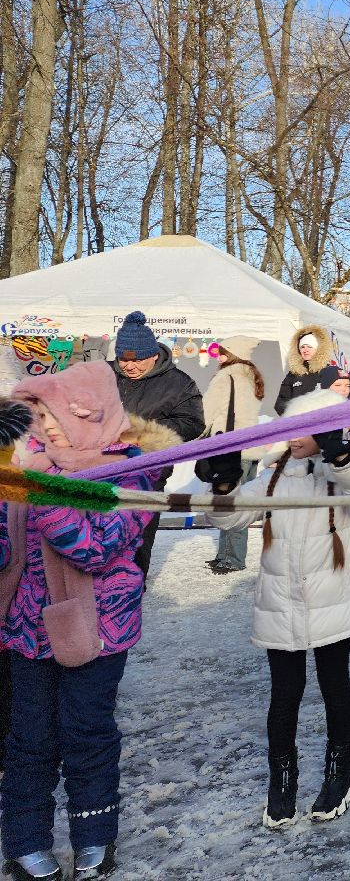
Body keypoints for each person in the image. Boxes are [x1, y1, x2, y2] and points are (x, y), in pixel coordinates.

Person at [0, 363, 180, 881]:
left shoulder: (133, 472)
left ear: (89, 411)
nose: (45, 426)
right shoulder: (24, 463)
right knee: (28, 738)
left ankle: (94, 837)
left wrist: (42, 495)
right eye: (36, 415)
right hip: (26, 628)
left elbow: (95, 550)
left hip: (98, 628)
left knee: (85, 732)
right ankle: (25, 842)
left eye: (52, 414)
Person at [204, 389, 350, 828]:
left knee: (334, 686)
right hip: (282, 601)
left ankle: (340, 772)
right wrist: (223, 484)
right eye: (292, 427)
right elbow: (228, 519)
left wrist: (341, 458)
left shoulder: (341, 473)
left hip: (332, 599)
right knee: (284, 694)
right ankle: (281, 779)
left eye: (308, 428)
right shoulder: (273, 474)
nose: (296, 436)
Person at [109, 310, 204, 580]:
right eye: (124, 360)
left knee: (136, 547)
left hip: (146, 478)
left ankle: (130, 598)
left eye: (138, 360)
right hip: (100, 474)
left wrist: (145, 434)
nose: (130, 367)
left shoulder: (179, 384)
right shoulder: (102, 374)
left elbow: (192, 423)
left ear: (153, 355)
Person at [199, 335, 268, 574]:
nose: (219, 356)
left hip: (229, 450)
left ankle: (233, 559)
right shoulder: (251, 377)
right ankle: (226, 555)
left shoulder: (225, 376)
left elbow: (206, 413)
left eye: (223, 351)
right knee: (238, 502)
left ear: (232, 353)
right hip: (250, 448)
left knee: (228, 503)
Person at [274, 325, 340, 415]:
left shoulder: (329, 371)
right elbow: (281, 401)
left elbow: (338, 398)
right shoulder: (294, 374)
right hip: (297, 423)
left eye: (309, 347)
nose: (305, 350)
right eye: (302, 347)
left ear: (318, 349)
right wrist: (291, 415)